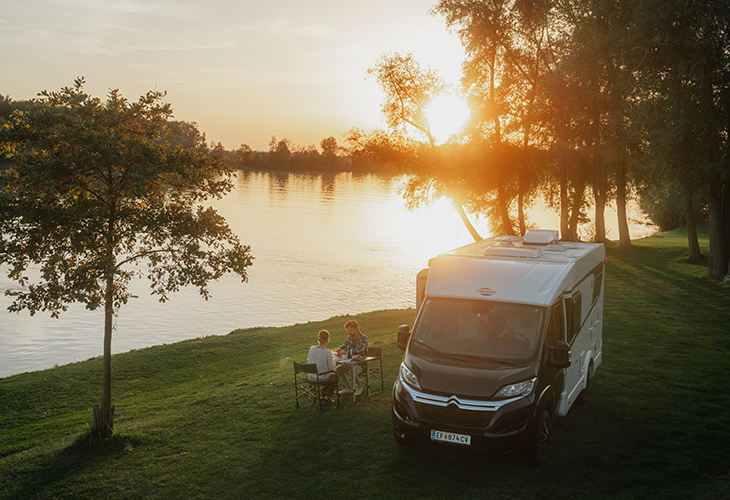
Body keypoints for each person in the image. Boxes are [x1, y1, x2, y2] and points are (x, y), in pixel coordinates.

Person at [335, 320, 368, 396]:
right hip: (349, 363)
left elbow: (360, 350)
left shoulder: (363, 338)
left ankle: (359, 387)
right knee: (338, 369)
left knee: (352, 372)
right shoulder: (348, 339)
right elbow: (343, 347)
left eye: (350, 330)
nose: (349, 332)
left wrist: (346, 351)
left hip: (361, 364)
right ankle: (348, 388)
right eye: (348, 330)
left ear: (356, 329)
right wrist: (339, 350)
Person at [307, 330, 338, 401]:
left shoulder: (312, 348)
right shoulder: (327, 352)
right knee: (334, 376)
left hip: (311, 377)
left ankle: (322, 397)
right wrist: (335, 359)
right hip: (321, 378)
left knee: (326, 375)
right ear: (327, 340)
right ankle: (327, 397)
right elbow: (331, 368)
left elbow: (310, 361)